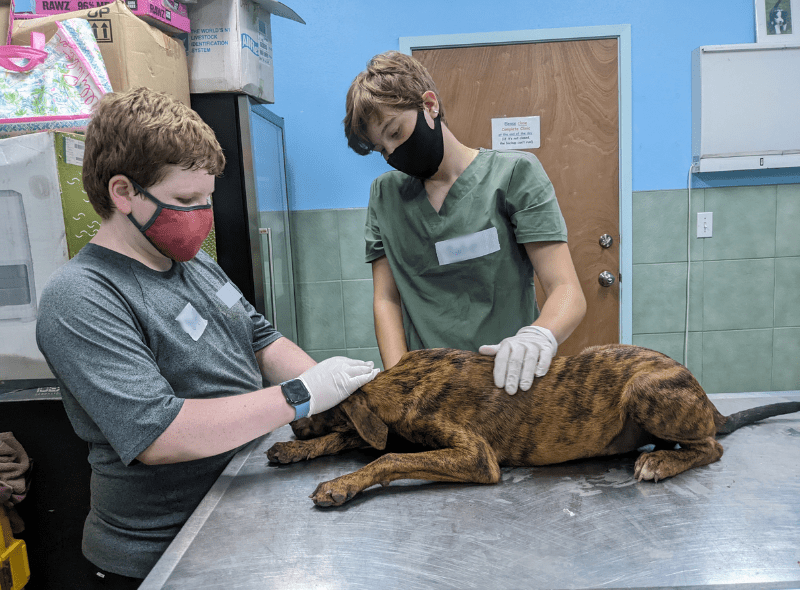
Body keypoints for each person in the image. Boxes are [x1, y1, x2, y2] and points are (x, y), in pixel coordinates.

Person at [35, 87, 379, 587]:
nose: (202, 215)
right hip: (159, 553)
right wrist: (301, 396)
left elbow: (260, 339)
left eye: (207, 199)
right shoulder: (81, 297)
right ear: (123, 193)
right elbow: (160, 434)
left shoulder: (194, 263)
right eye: (185, 200)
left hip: (236, 510)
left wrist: (337, 395)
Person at [343, 51, 587, 395]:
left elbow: (566, 289)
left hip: (508, 385)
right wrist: (399, 383)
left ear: (429, 106)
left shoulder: (515, 174)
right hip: (430, 392)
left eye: (395, 132)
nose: (393, 154)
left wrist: (539, 336)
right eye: (381, 149)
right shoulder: (386, 196)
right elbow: (387, 299)